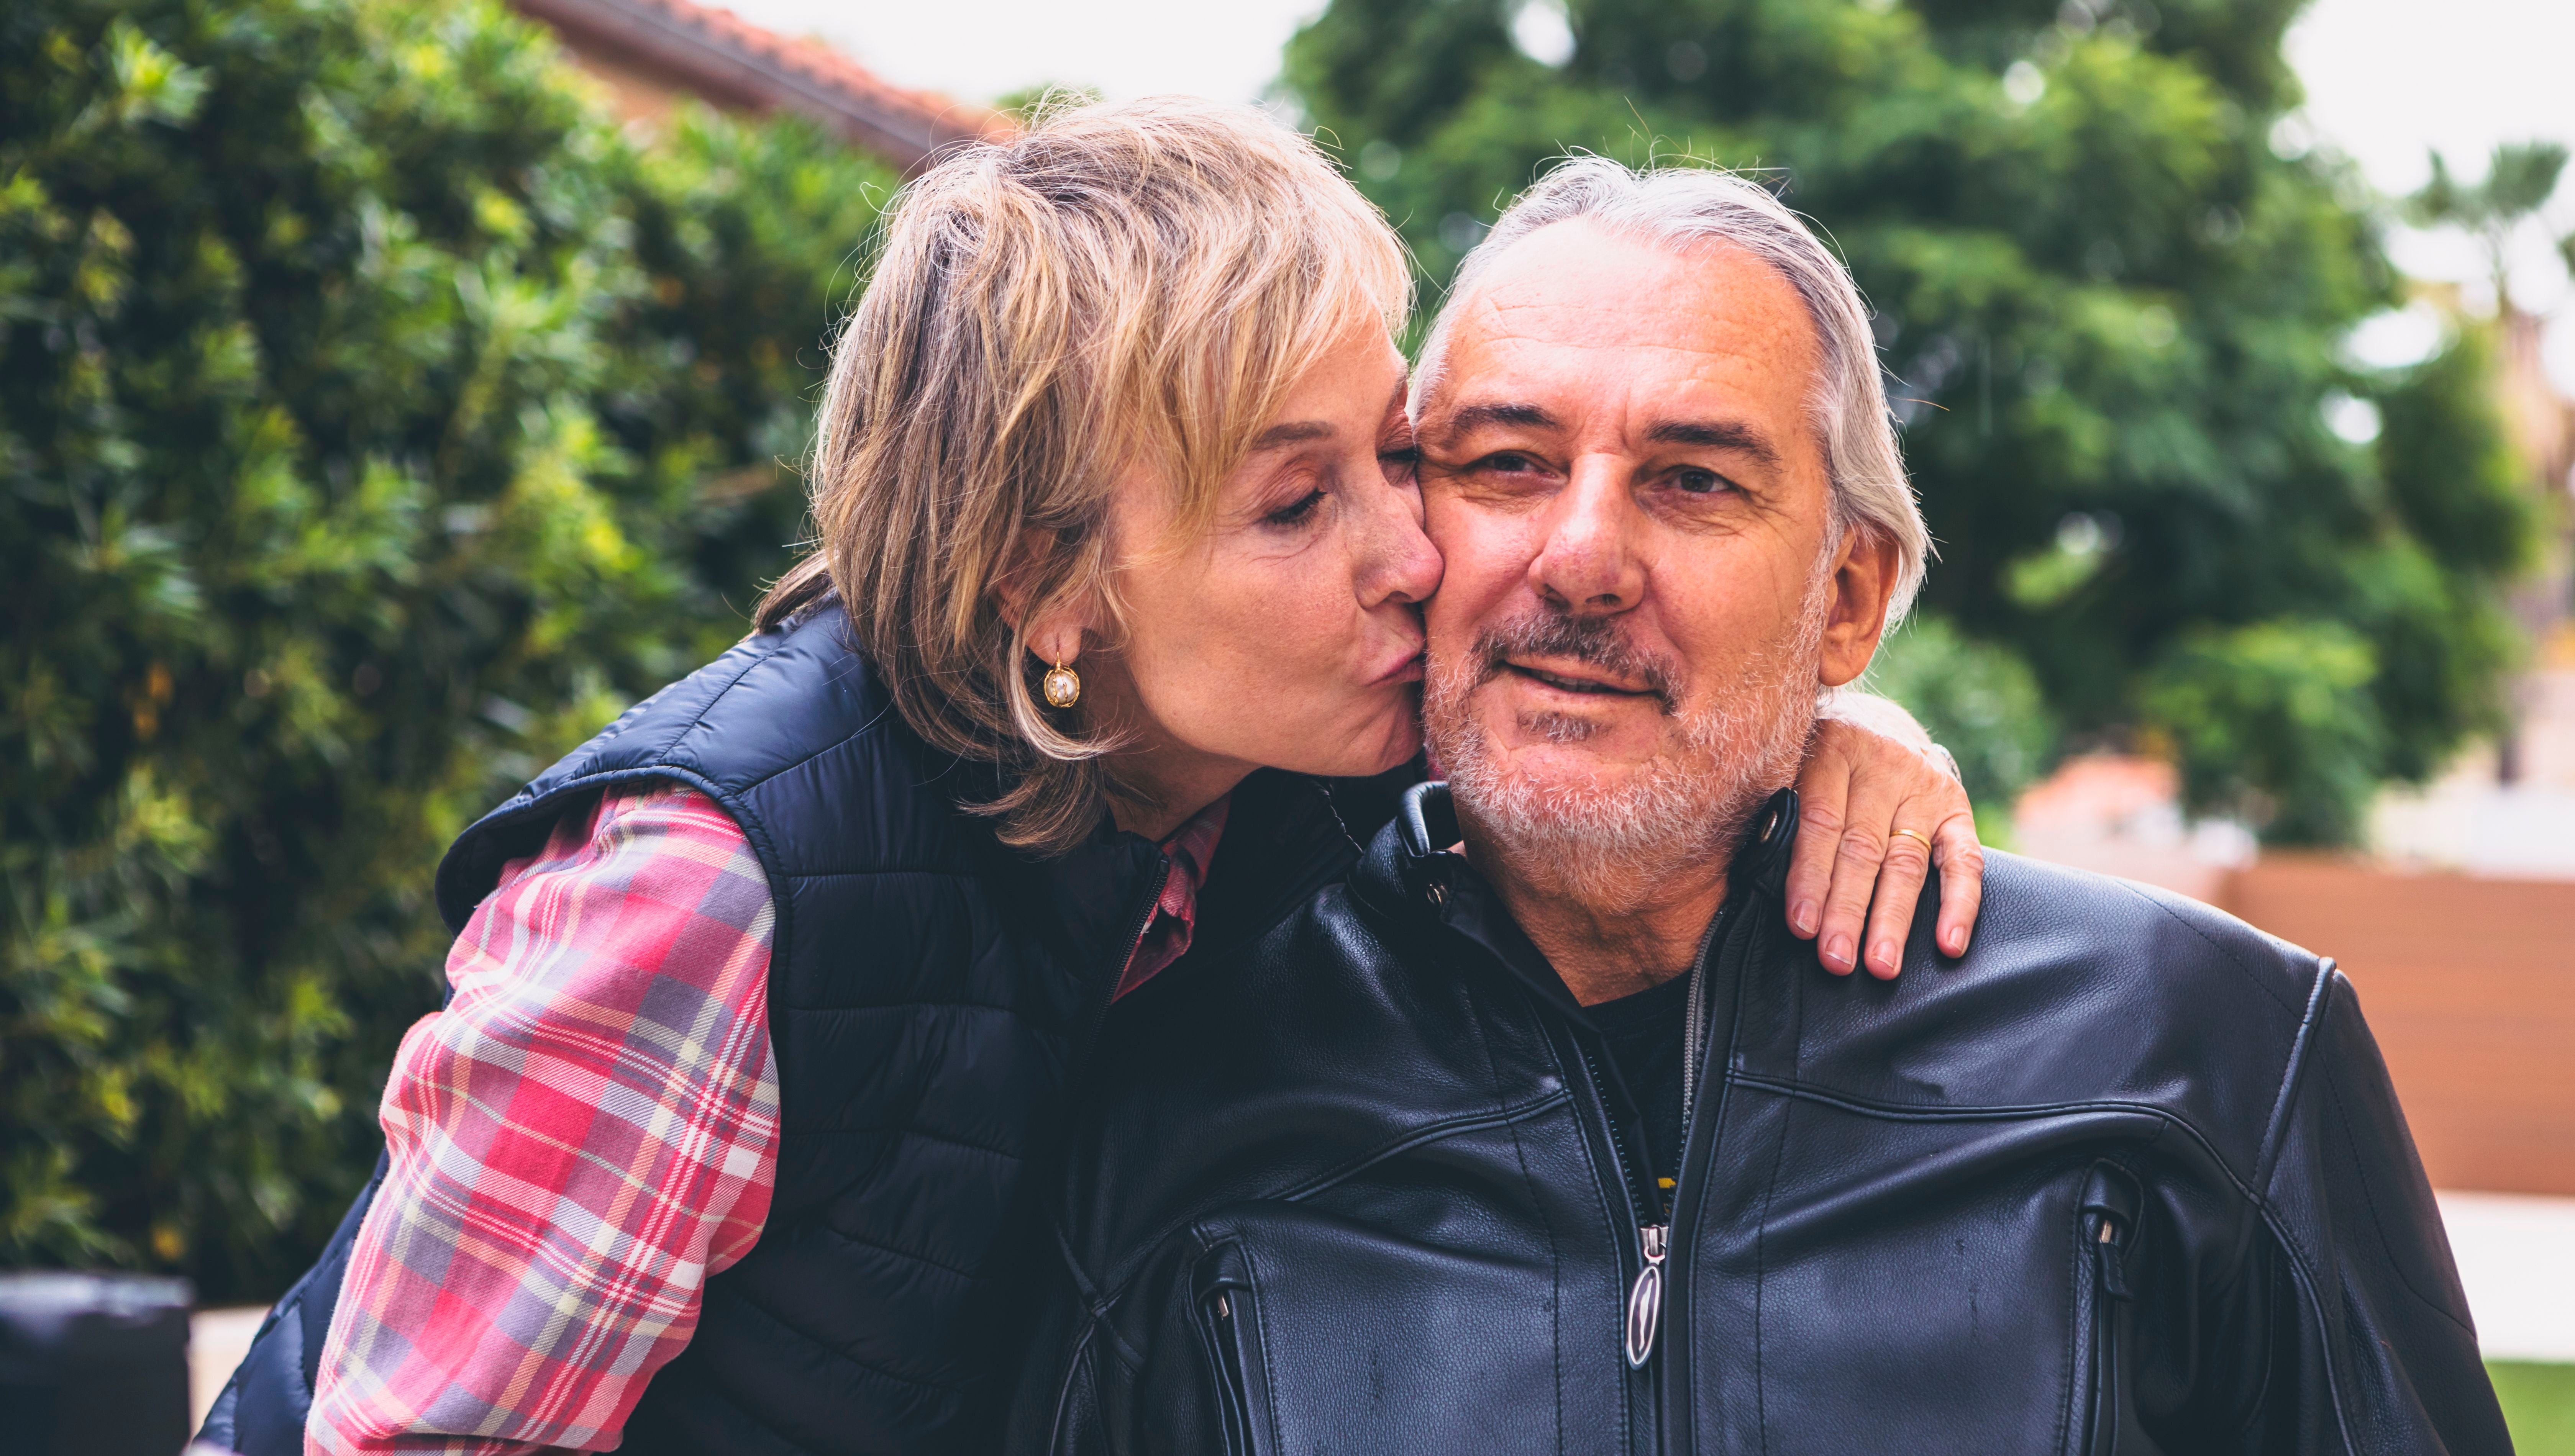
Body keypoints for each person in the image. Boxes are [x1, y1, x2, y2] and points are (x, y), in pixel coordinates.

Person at [195, 101, 1984, 1456]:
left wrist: (1849, 736)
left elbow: (1632, 712)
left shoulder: (1274, 775)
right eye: (1298, 503)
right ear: (1049, 590)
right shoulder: (704, 895)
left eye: (1396, 456)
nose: (1415, 556)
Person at [1008, 158, 2511, 1455]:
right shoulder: (1169, 1085)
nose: (1581, 559)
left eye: (1694, 483)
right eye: (1509, 464)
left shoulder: (2209, 1051)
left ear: (1847, 596)